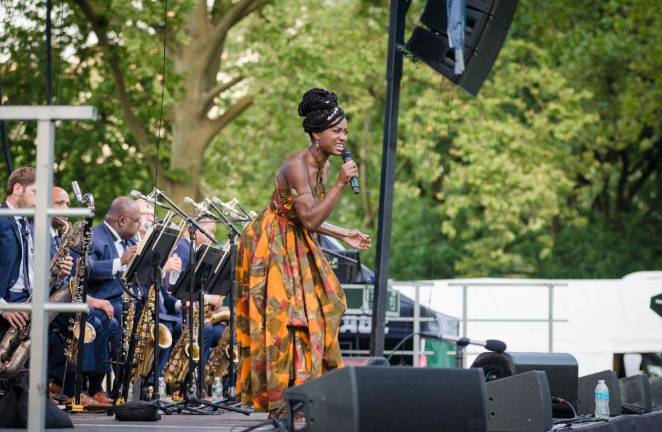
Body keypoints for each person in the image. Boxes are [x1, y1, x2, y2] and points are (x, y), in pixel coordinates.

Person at [235, 88, 371, 414]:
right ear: (316, 133)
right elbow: (308, 219)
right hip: (271, 244)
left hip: (296, 237)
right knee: (283, 319)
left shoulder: (322, 164)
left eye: (346, 132)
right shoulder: (297, 165)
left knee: (324, 305)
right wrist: (339, 184)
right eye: (337, 131)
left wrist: (344, 233)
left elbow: (309, 217)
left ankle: (307, 391)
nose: (343, 137)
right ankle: (280, 399)